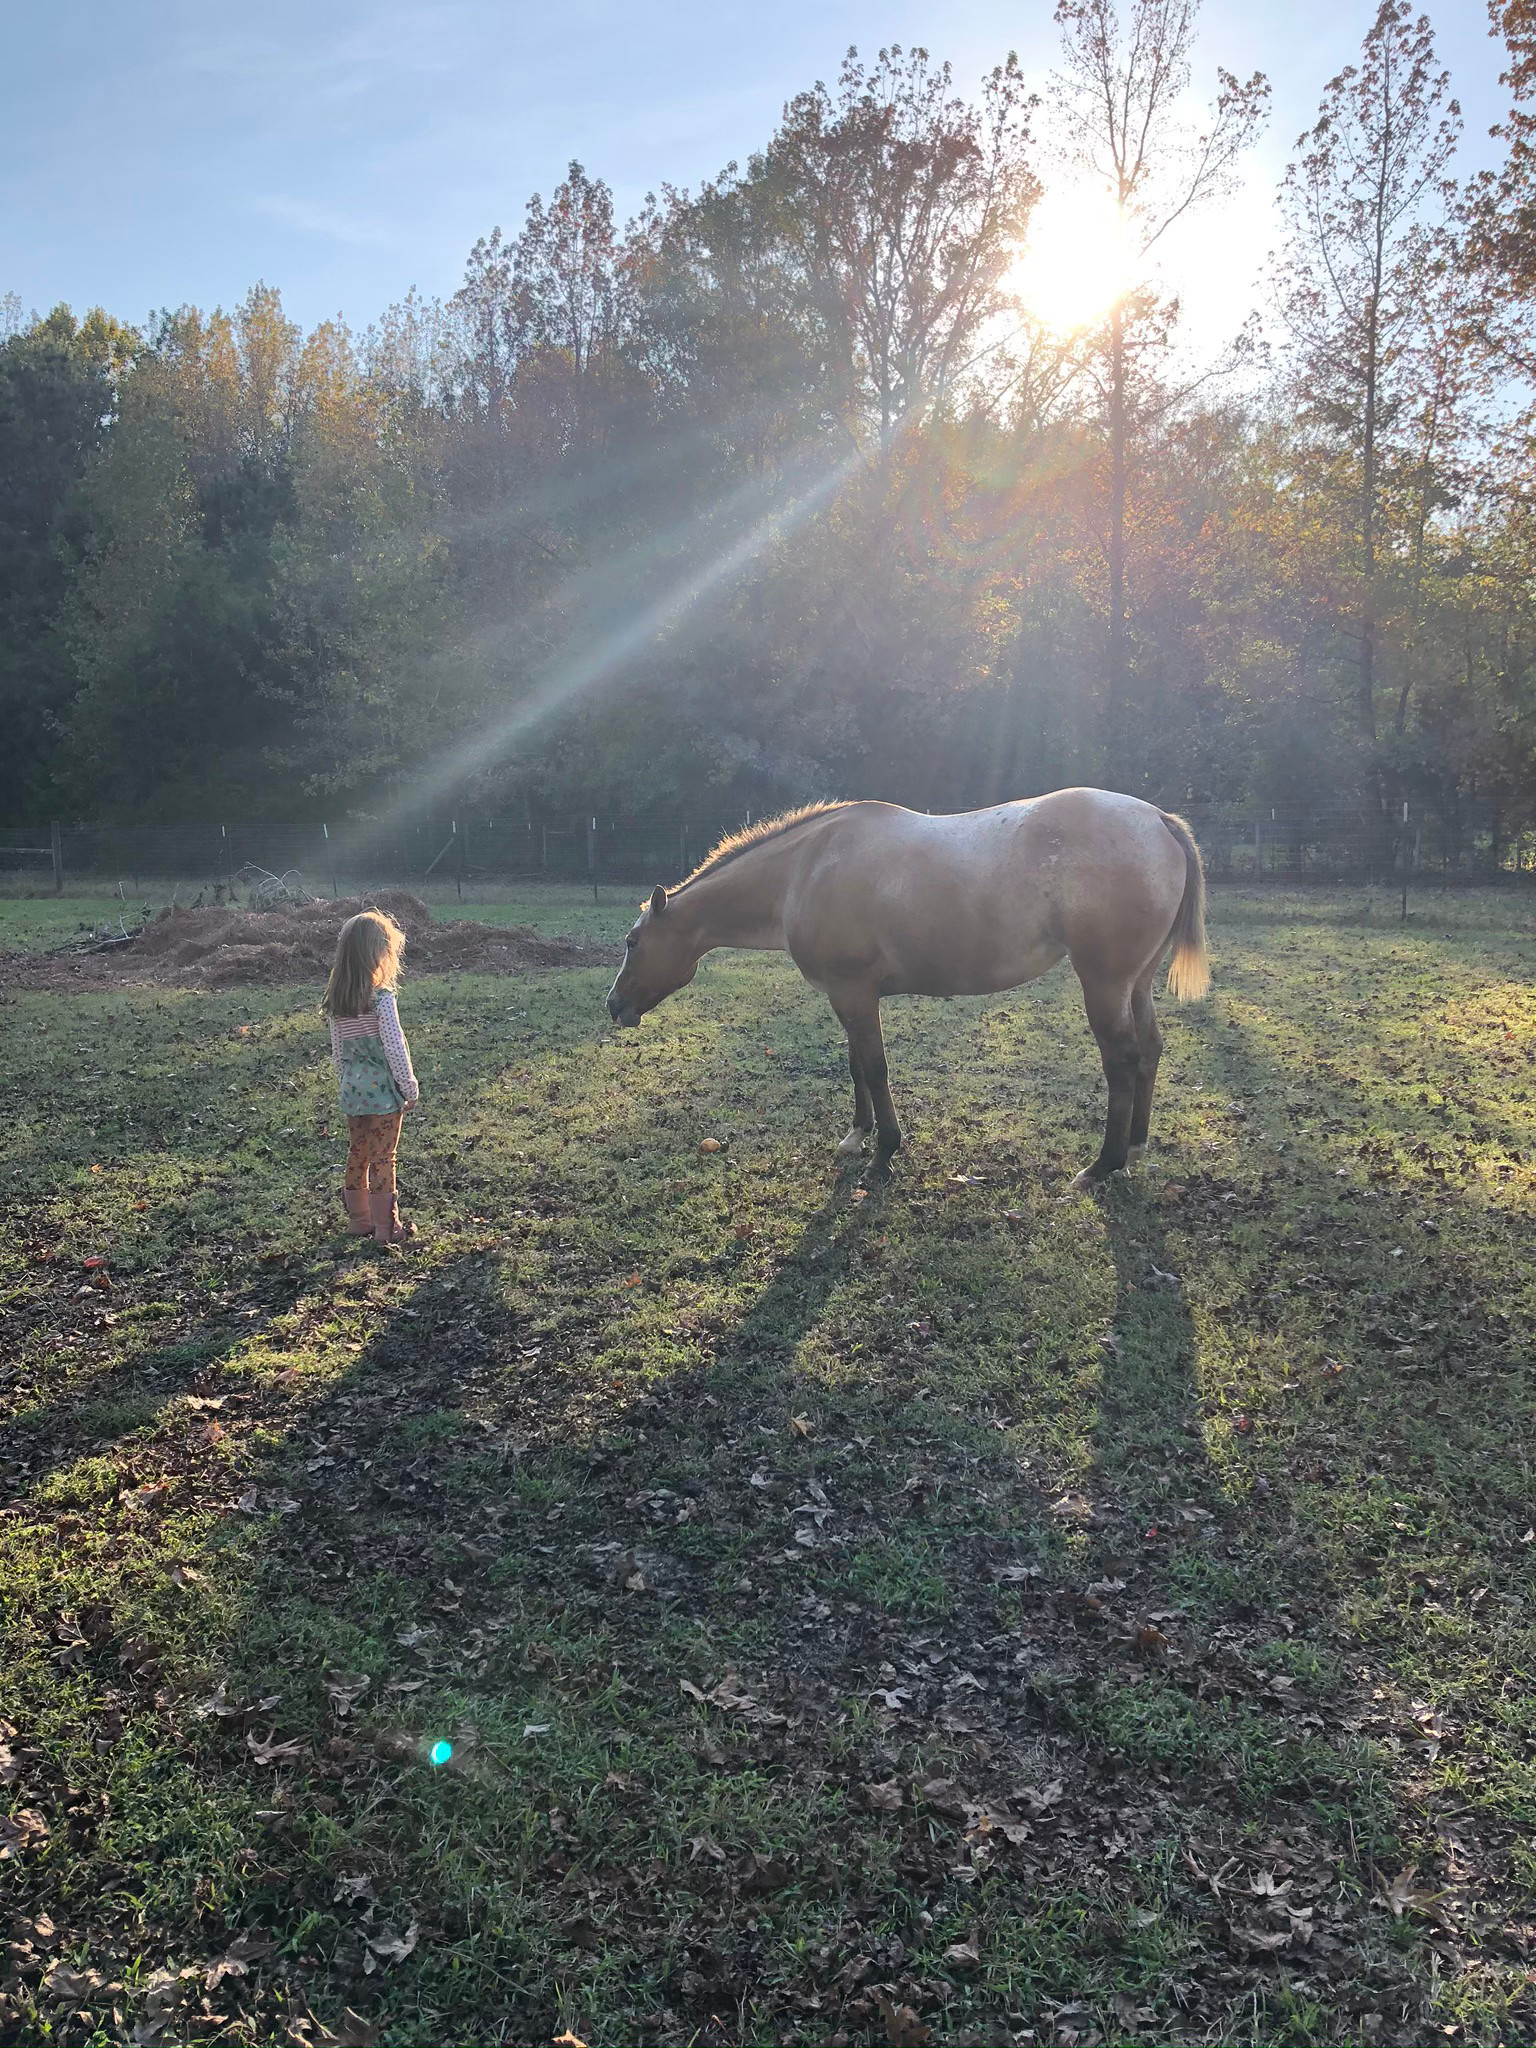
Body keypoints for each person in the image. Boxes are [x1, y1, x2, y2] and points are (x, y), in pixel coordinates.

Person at [321, 910, 420, 1244]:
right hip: (383, 1095)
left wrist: (346, 1082)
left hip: (353, 1091)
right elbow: (394, 1046)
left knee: (358, 1152)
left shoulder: (338, 1002)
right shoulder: (381, 999)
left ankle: (359, 1220)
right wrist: (409, 1086)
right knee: (383, 1157)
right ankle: (387, 1228)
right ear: (378, 954)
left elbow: (338, 1052)